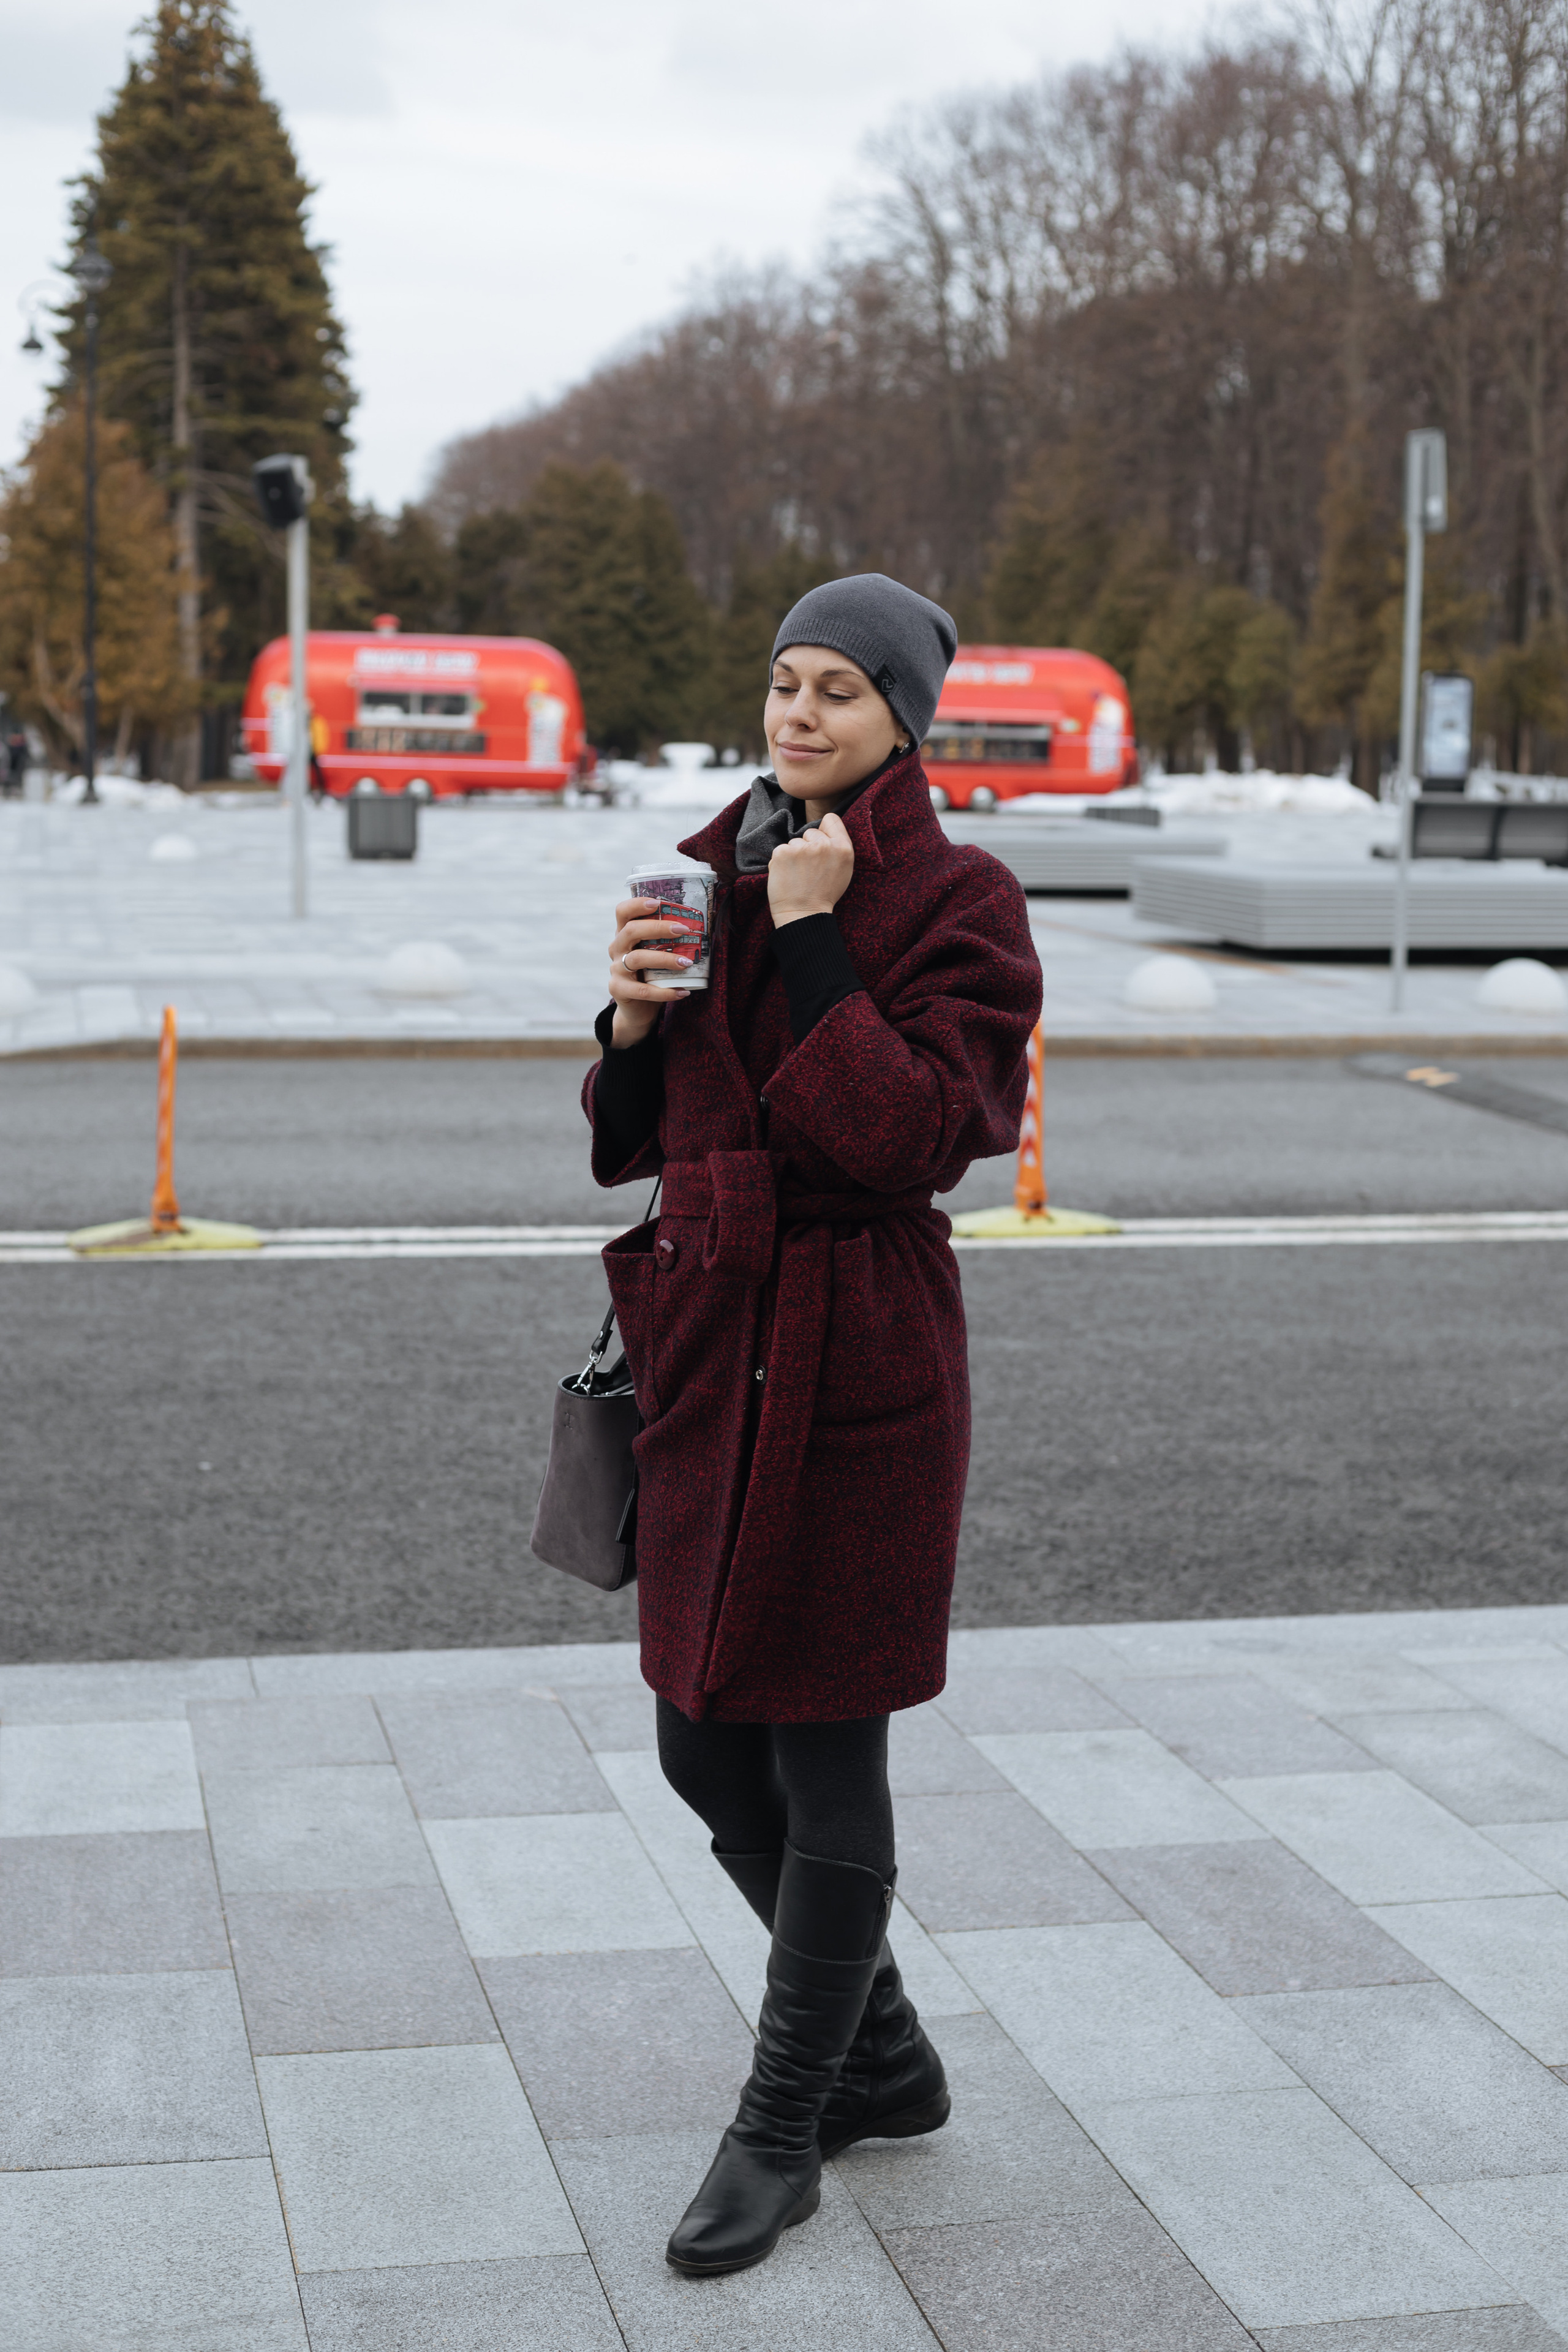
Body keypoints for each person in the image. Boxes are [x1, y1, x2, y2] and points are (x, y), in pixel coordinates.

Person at [584, 573, 1042, 2277]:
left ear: (906, 718)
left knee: (826, 1738)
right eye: (785, 680)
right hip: (716, 1340)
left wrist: (822, 934)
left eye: (841, 689)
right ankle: (888, 2051)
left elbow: (926, 1133)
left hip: (861, 1363)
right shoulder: (713, 868)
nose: (798, 714)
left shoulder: (962, 899)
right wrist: (630, 1026)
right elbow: (647, 1131)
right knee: (700, 1736)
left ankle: (786, 2123)